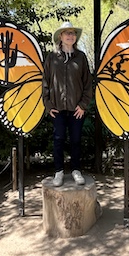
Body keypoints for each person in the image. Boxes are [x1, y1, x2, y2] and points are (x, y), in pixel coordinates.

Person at [42, 21, 93, 187]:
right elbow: (45, 82)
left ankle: (76, 170)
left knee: (76, 139)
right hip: (57, 108)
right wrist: (48, 105)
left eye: (72, 33)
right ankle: (58, 172)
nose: (70, 36)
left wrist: (83, 105)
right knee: (58, 139)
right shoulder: (51, 58)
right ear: (60, 37)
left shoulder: (81, 57)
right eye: (67, 33)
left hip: (76, 108)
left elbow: (88, 83)